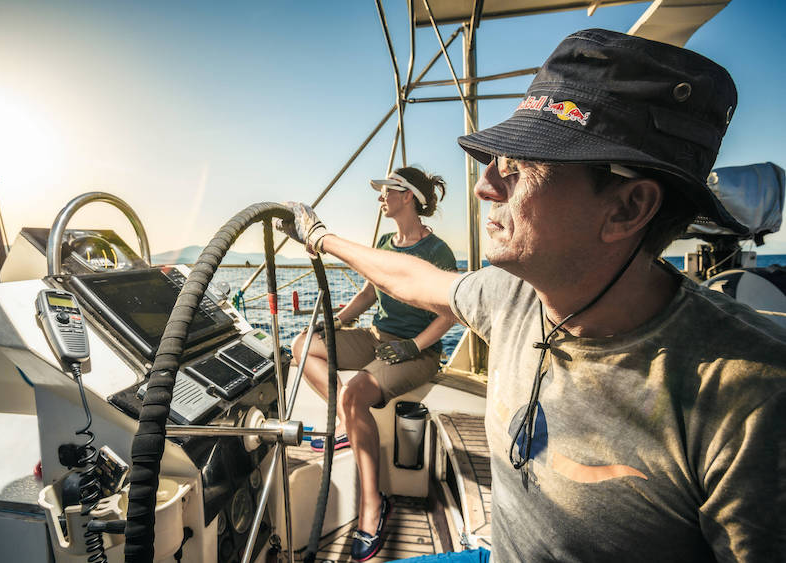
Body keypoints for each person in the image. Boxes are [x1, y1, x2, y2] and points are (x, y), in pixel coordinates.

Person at [278, 29, 786, 562]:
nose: (486, 186)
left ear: (627, 208)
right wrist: (321, 238)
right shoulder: (514, 293)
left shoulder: (751, 404)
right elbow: (413, 280)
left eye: (519, 168)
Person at [290, 166, 457, 561]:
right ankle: (348, 422)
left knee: (355, 394)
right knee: (301, 346)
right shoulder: (384, 241)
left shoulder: (438, 252)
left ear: (409, 197)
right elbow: (368, 295)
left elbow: (449, 313)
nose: (380, 196)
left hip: (418, 351)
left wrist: (414, 346)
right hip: (376, 338)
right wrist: (336, 323)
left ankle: (373, 505)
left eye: (387, 190)